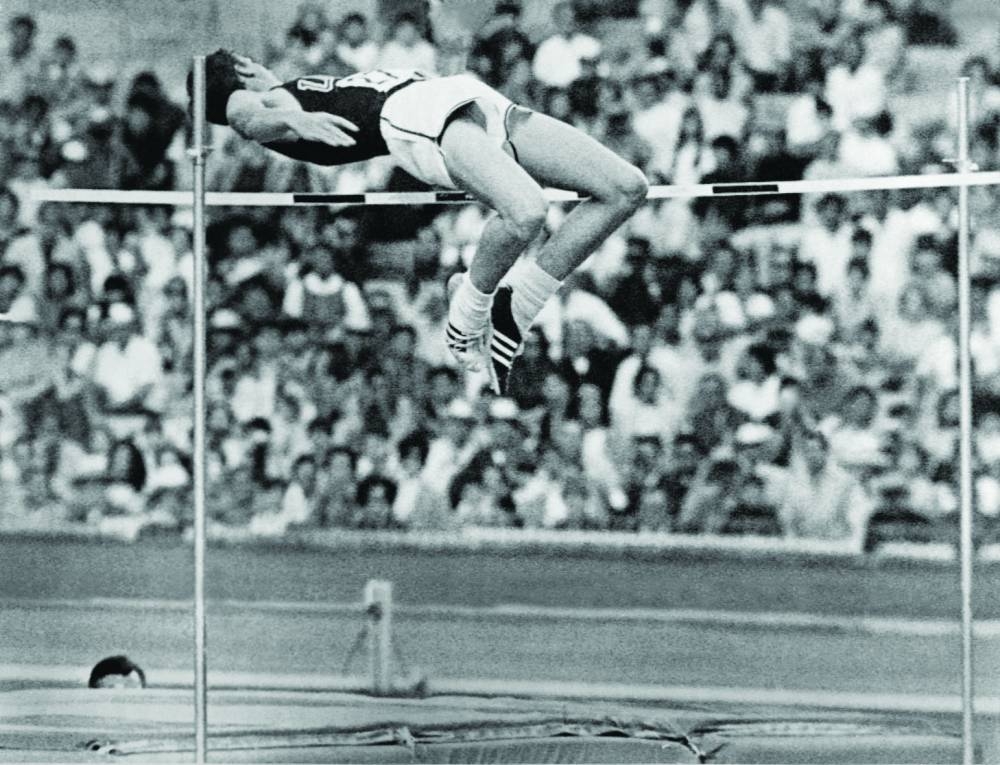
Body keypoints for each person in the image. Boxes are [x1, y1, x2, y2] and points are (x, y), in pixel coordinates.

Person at [191, 11, 648, 395]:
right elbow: (248, 119)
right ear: (235, 74)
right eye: (245, 61)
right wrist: (293, 118)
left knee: (625, 188)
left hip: (458, 95)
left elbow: (284, 98)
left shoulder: (285, 88)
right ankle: (465, 314)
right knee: (526, 212)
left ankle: (516, 307)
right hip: (416, 117)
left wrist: (286, 100)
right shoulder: (257, 103)